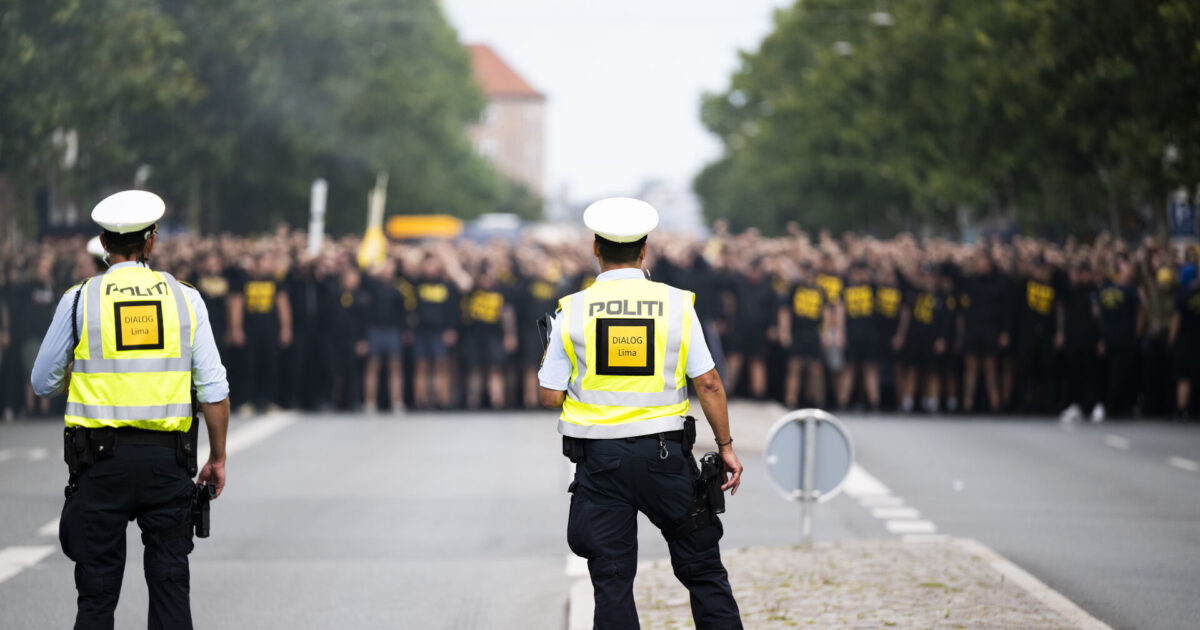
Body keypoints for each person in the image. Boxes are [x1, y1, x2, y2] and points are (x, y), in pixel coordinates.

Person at [539, 197, 744, 630]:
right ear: (644, 250)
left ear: (596, 248)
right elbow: (708, 382)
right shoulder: (676, 305)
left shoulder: (572, 309)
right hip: (665, 458)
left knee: (612, 581)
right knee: (703, 569)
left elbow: (549, 396)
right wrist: (725, 446)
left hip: (600, 464)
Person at [30, 190, 229, 630]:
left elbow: (42, 381)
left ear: (103, 242)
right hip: (168, 463)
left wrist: (79, 375)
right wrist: (217, 458)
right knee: (170, 586)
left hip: (99, 464)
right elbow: (214, 390)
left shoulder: (80, 299)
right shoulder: (185, 298)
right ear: (152, 240)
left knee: (97, 595)